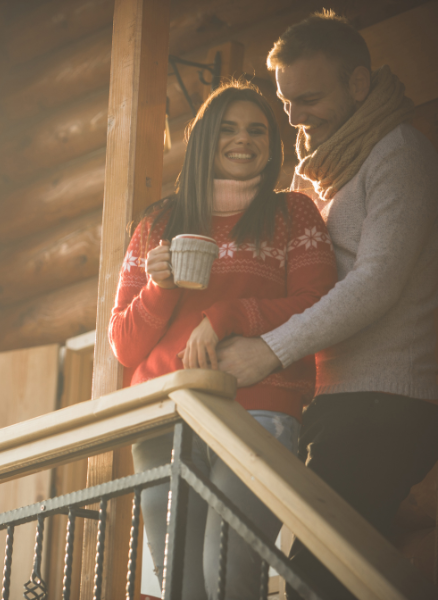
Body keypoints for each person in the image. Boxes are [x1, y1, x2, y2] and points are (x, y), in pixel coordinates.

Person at [215, 12, 438, 600]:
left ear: (359, 84)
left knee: (316, 578)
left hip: (386, 403)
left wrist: (268, 351)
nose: (294, 116)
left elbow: (376, 284)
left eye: (309, 98)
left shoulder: (400, 154)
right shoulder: (323, 174)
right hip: (335, 403)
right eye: (286, 102)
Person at [109, 83, 337, 600]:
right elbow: (123, 345)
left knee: (227, 571)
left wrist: (230, 315)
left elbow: (319, 304)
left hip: (256, 410)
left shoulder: (292, 214)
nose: (243, 139)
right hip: (162, 419)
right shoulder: (156, 224)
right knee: (182, 585)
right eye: (228, 128)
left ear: (272, 143)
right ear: (206, 139)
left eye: (256, 129)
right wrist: (158, 288)